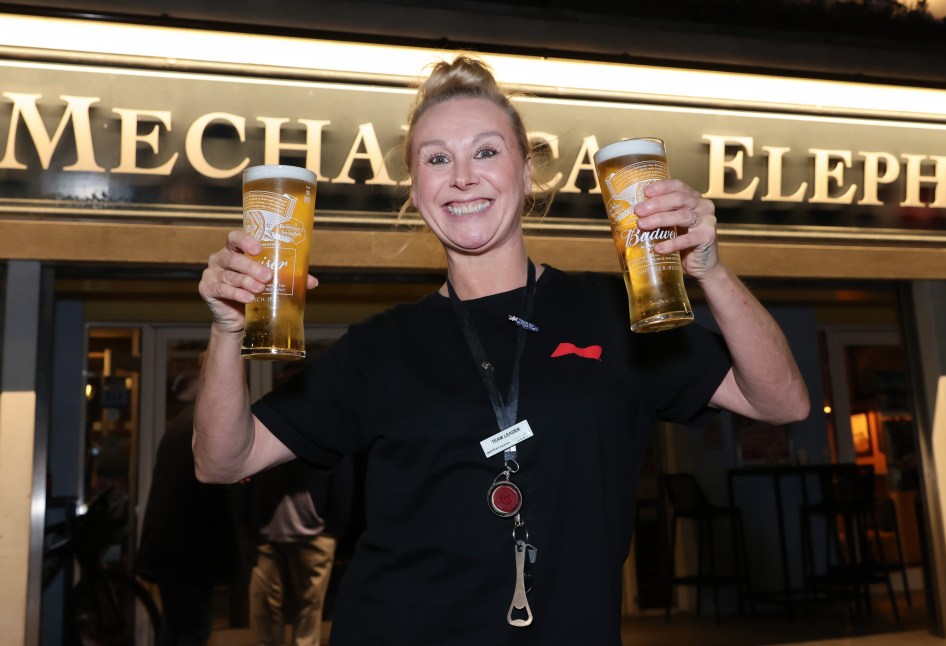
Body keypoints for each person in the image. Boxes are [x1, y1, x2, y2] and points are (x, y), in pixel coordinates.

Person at [194, 55, 809, 645]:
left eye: (486, 151)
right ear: (417, 188)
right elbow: (221, 461)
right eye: (437, 159)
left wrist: (712, 272)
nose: (463, 177)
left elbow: (781, 402)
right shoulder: (378, 347)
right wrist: (226, 331)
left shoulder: (615, 313)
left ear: (526, 172)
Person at [137, 371, 241, 646]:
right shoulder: (208, 426)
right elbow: (214, 493)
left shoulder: (184, 422)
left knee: (178, 627)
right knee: (193, 628)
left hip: (170, 547)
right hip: (187, 550)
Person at [237, 454, 352, 646]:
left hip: (315, 532)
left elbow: (342, 467)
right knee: (265, 615)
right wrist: (244, 521)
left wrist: (333, 528)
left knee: (309, 615)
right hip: (265, 532)